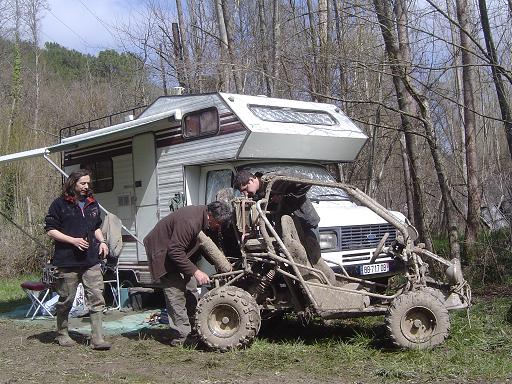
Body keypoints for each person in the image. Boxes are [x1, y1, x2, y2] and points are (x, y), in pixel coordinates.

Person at [143, 201, 232, 346]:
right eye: (218, 223)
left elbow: (205, 246)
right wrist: (196, 271)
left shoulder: (203, 219)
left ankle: (195, 330)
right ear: (210, 216)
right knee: (176, 294)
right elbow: (175, 251)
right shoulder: (190, 221)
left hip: (177, 252)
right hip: (162, 253)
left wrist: (221, 264)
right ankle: (181, 338)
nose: (218, 227)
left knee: (191, 290)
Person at [44, 169, 111, 350]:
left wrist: (102, 242)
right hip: (67, 261)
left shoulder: (92, 203)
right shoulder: (59, 204)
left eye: (88, 183)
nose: (86, 187)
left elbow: (96, 226)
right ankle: (62, 333)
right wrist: (72, 240)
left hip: (91, 260)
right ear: (73, 183)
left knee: (97, 297)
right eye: (82, 183)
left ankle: (97, 338)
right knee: (67, 299)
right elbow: (50, 230)